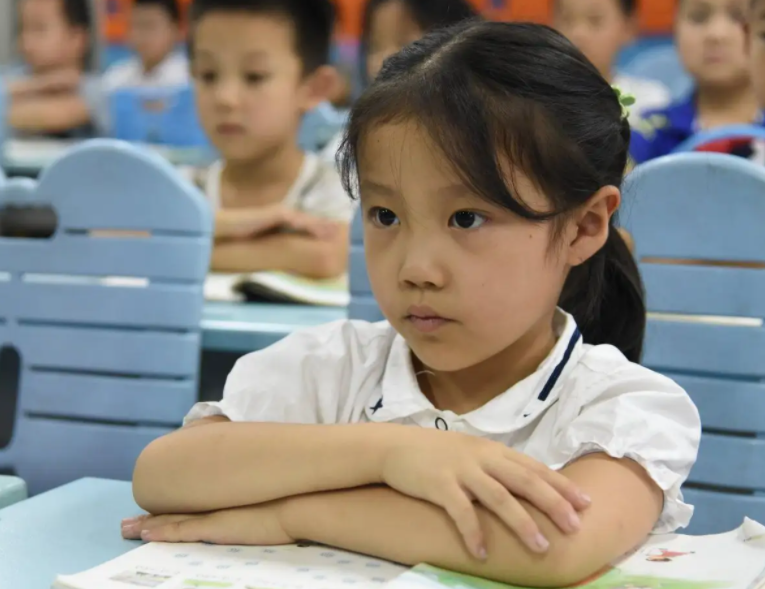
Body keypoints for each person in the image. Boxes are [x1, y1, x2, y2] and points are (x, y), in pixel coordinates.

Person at [124, 21, 700, 587]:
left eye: (466, 218)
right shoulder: (336, 366)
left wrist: (294, 514)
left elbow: (552, 544)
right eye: (386, 216)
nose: (416, 268)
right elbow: (164, 474)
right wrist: (392, 453)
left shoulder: (627, 407)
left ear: (584, 226)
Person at [188, 0, 352, 279]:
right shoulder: (186, 188)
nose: (225, 98)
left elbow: (325, 256)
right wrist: (251, 222)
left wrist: (186, 244)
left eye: (254, 77)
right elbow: (122, 238)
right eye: (208, 75)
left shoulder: (333, 191)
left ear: (313, 88)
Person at [321, 0, 478, 165]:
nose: (384, 60)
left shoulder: (484, 138)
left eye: (405, 43)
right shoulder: (348, 152)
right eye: (374, 46)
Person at [630, 0, 761, 163]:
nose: (716, 34)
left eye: (738, 16)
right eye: (699, 17)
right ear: (674, 27)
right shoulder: (649, 131)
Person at [553, 0, 670, 122]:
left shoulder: (649, 102)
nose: (577, 33)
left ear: (628, 27)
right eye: (566, 18)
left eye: (595, 20)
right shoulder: (539, 100)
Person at [8, 0, 105, 137]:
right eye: (22, 29)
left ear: (77, 38)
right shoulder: (18, 77)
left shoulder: (95, 89)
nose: (25, 41)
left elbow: (55, 116)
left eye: (39, 29)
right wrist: (40, 84)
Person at [102, 0, 189, 93]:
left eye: (149, 26)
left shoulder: (189, 78)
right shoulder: (115, 79)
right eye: (135, 26)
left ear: (175, 30)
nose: (141, 35)